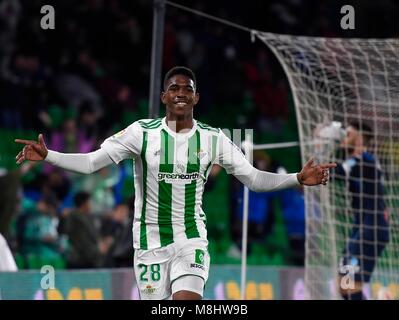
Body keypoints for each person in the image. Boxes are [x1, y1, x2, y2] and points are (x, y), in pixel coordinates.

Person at [15, 66, 336, 300]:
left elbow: (252, 178)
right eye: (174, 88)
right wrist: (50, 156)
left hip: (190, 239)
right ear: (164, 95)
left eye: (187, 89)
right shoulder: (141, 132)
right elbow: (90, 163)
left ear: (196, 97)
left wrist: (296, 178)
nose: (180, 93)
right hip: (149, 243)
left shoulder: (214, 139)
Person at [333, 122, 389, 300]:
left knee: (349, 286)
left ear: (359, 139)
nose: (344, 137)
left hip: (372, 229)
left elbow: (336, 173)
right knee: (344, 287)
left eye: (348, 134)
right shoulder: (355, 162)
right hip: (361, 228)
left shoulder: (366, 160)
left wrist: (323, 147)